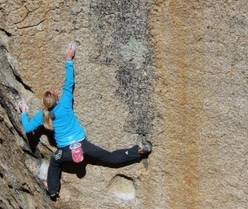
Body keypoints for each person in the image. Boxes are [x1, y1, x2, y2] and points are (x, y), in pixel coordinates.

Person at [18, 42, 151, 200]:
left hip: (64, 151)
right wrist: (69, 59)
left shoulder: (42, 115)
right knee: (110, 158)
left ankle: (53, 191)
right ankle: (138, 151)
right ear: (56, 99)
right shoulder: (65, 104)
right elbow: (69, 84)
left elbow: (27, 128)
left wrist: (24, 112)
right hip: (83, 145)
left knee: (55, 162)